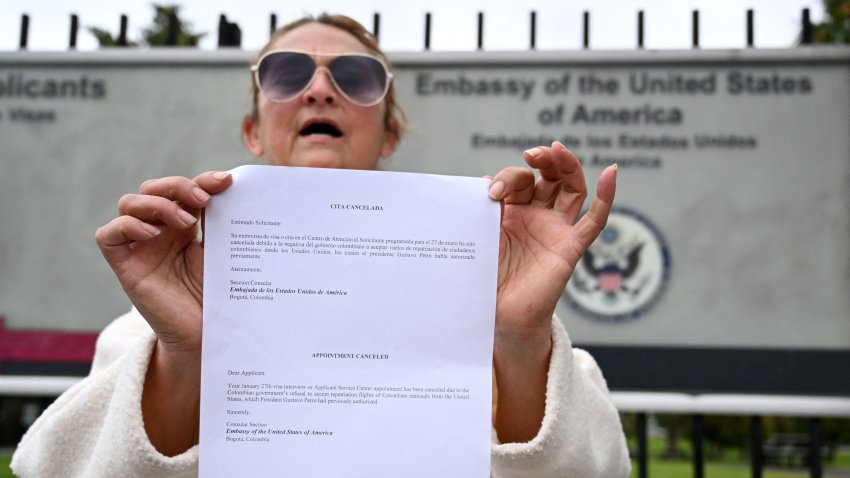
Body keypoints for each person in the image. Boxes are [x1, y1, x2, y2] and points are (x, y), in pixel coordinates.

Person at [11, 13, 630, 478]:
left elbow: (600, 468)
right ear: (254, 130)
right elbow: (49, 468)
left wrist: (519, 344)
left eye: (356, 77)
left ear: (389, 136)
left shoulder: (502, 315)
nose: (318, 90)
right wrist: (189, 354)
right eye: (287, 73)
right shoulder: (143, 338)